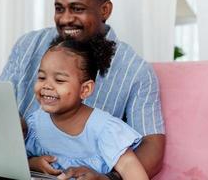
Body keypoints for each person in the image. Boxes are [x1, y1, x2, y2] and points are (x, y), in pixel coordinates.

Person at [0, 0, 165, 179]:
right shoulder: (28, 45)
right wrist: (28, 161)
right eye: (59, 8)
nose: (66, 19)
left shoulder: (136, 71)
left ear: (105, 10)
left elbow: (152, 145)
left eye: (77, 8)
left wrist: (107, 178)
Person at [25, 36, 149, 180]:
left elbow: (130, 168)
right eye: (41, 77)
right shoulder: (35, 123)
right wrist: (33, 163)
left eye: (59, 80)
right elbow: (16, 160)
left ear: (85, 89)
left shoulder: (104, 128)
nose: (46, 85)